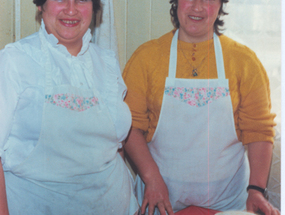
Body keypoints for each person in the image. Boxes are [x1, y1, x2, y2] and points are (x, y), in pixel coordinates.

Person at [123, 0, 280, 215]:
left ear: (220, 5)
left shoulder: (244, 61)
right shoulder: (146, 58)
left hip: (227, 201)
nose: (197, 6)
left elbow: (259, 130)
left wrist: (256, 190)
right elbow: (129, 126)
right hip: (160, 198)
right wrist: (152, 178)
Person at [0, 0, 139, 214]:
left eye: (82, 0)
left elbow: (114, 147)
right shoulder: (15, 61)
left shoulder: (107, 62)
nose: (71, 9)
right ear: (41, 5)